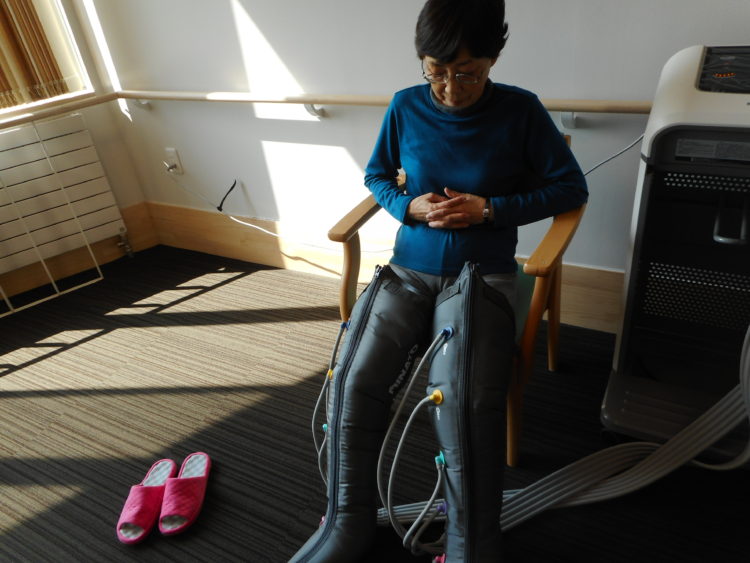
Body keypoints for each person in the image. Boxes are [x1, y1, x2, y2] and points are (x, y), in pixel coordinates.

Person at [290, 1, 587, 561]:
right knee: (353, 380)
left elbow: (570, 188)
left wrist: (489, 210)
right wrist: (408, 206)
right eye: (436, 73)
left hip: (483, 276)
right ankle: (346, 523)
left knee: (464, 398)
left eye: (467, 73)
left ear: (493, 59)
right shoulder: (405, 105)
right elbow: (377, 174)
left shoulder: (521, 110)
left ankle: (471, 542)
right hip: (408, 271)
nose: (450, 89)